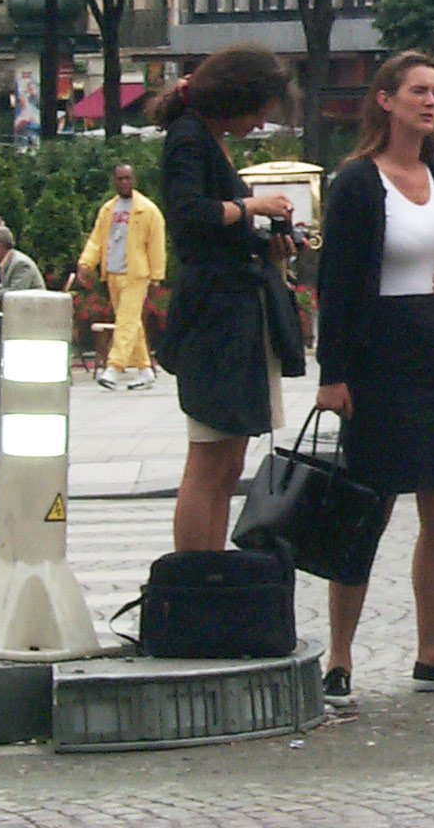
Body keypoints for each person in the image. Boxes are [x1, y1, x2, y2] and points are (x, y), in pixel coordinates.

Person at [315, 50, 434, 707]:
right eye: (418, 90)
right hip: (376, 358)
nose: (430, 101)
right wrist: (332, 374)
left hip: (433, 352)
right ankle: (339, 657)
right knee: (367, 509)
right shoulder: (357, 183)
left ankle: (433, 650)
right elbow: (335, 284)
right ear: (386, 100)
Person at [151, 44, 303, 553]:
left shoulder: (205, 138)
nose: (260, 123)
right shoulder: (189, 139)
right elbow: (190, 215)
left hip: (232, 307)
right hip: (213, 312)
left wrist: (265, 241)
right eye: (258, 111)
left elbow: (214, 227)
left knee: (228, 460)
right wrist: (251, 205)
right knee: (210, 459)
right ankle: (197, 574)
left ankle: (211, 567)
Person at [77, 164, 168, 390]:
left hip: (136, 274)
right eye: (120, 178)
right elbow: (97, 240)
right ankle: (145, 370)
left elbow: (156, 244)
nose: (124, 182)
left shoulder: (148, 210)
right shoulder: (108, 209)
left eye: (128, 178)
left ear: (134, 180)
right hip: (113, 273)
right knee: (132, 323)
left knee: (125, 322)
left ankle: (114, 368)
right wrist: (86, 263)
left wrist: (156, 276)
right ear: (114, 181)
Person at [0, 226, 43, 310]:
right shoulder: (8, 261)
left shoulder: (21, 263)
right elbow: (5, 286)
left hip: (32, 313)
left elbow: (15, 295)